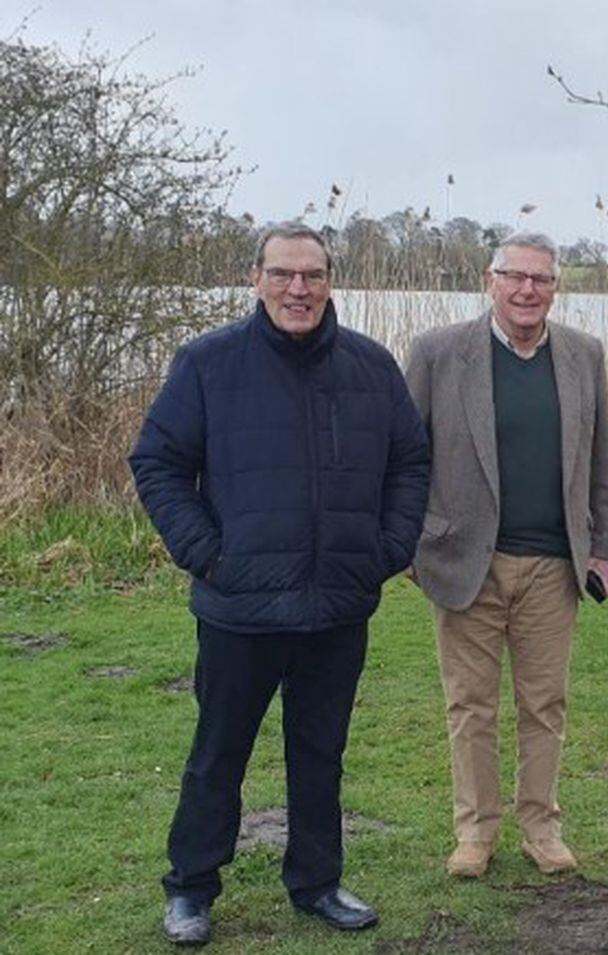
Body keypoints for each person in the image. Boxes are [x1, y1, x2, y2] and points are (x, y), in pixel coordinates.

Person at [130, 223, 430, 946]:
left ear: (332, 280)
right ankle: (191, 888)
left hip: (336, 603)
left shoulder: (370, 367)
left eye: (313, 275)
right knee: (217, 753)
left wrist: (384, 550)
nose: (298, 289)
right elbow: (158, 462)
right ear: (256, 278)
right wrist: (209, 553)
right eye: (283, 274)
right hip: (240, 605)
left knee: (321, 752)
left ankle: (318, 882)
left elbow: (412, 462)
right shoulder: (208, 364)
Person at [404, 232, 608, 880]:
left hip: (555, 567)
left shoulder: (584, 355)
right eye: (515, 277)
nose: (528, 290)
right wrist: (410, 546)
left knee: (544, 702)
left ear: (555, 287)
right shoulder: (438, 354)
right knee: (470, 704)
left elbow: (602, 457)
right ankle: (475, 833)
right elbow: (403, 457)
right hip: (465, 560)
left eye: (542, 279)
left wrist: (605, 546)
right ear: (489, 280)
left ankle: (541, 826)